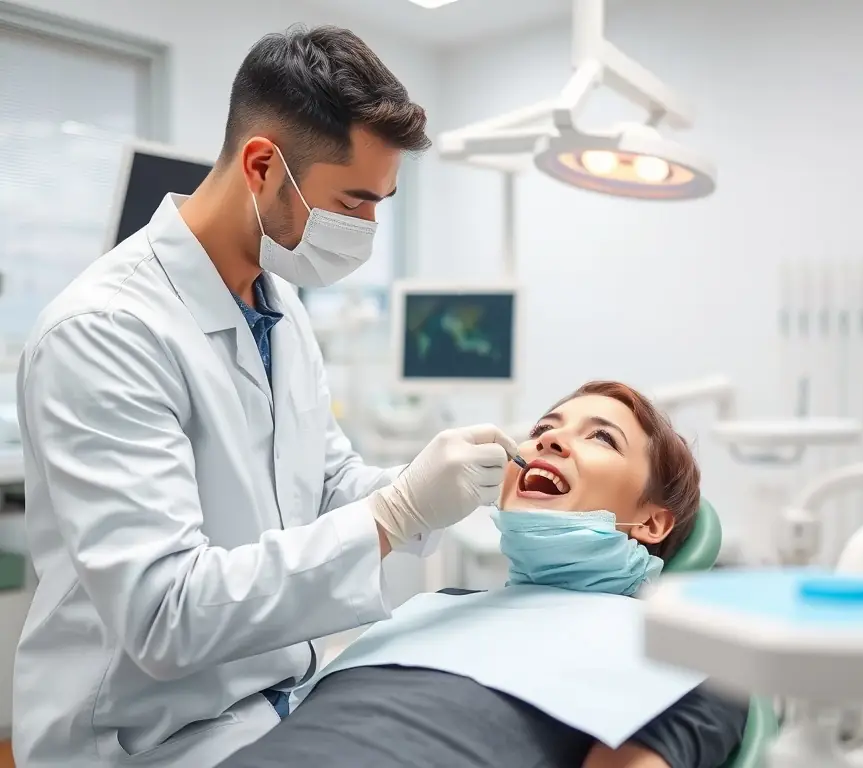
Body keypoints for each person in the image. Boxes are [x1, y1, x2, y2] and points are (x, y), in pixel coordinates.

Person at [12, 25, 518, 768]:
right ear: (261, 165)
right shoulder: (105, 332)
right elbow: (165, 615)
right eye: (354, 201)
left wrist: (431, 488)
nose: (367, 230)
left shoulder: (277, 301)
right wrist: (394, 513)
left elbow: (323, 483)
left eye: (381, 204)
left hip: (275, 700)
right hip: (146, 738)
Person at [219, 381, 749, 768]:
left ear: (654, 522)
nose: (548, 441)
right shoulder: (436, 608)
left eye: (602, 439)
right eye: (543, 430)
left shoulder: (685, 655)